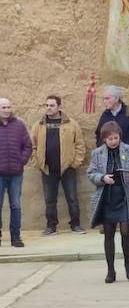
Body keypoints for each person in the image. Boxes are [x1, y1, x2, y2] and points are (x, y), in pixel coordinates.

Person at [87, 121, 129, 282]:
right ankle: (111, 270)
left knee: (126, 231)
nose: (113, 141)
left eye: (116, 138)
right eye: (110, 139)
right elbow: (91, 173)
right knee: (108, 233)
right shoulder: (97, 153)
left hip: (125, 196)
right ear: (104, 139)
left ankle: (127, 263)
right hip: (107, 197)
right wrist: (102, 178)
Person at [31, 94, 87, 235]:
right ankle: (51, 226)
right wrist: (37, 163)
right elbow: (32, 146)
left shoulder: (71, 124)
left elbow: (80, 145)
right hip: (47, 169)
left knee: (72, 198)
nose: (48, 108)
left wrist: (75, 163)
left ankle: (75, 225)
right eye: (47, 105)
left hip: (67, 168)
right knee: (50, 200)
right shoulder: (39, 125)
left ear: (59, 107)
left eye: (52, 105)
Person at [0, 96, 32, 248]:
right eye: (3, 108)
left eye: (8, 107)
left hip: (15, 174)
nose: (7, 110)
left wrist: (21, 161)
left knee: (16, 205)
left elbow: (28, 146)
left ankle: (16, 237)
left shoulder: (19, 125)